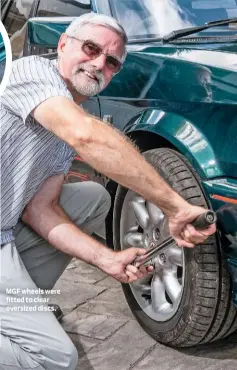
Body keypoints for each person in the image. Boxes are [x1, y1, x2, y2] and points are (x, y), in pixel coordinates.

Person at [0, 12, 216, 370]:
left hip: (5, 229)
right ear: (63, 45)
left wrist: (108, 260)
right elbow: (85, 134)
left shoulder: (65, 117)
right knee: (55, 358)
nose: (99, 63)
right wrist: (175, 206)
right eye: (91, 48)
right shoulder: (29, 72)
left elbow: (41, 210)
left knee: (91, 198)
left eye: (112, 61)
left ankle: (21, 307)